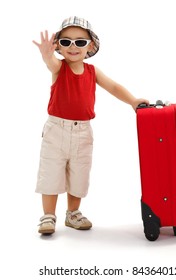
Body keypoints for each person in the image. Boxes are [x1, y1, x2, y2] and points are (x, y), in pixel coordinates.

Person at [33, 16, 149, 235]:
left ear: (91, 45)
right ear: (58, 46)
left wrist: (133, 101)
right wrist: (47, 55)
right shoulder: (59, 68)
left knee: (79, 173)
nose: (73, 47)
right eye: (66, 42)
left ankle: (73, 214)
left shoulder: (93, 72)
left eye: (80, 41)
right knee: (51, 172)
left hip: (83, 132)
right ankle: (48, 215)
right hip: (56, 130)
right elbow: (51, 63)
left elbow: (114, 87)